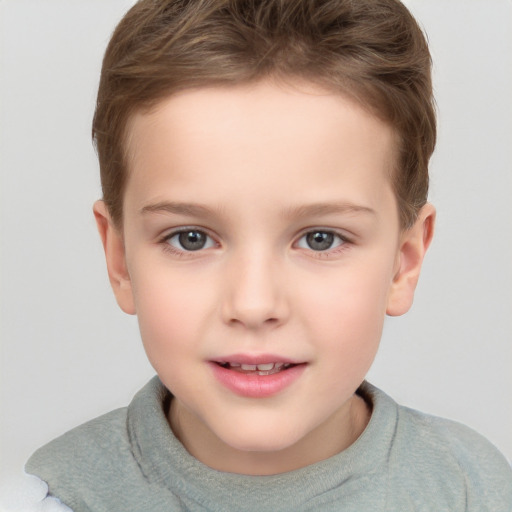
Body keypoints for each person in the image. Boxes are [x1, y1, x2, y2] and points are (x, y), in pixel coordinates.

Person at [15, 0, 512, 510]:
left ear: (403, 263)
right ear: (120, 259)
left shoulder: (472, 489)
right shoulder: (57, 500)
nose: (253, 305)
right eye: (191, 238)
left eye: (321, 238)